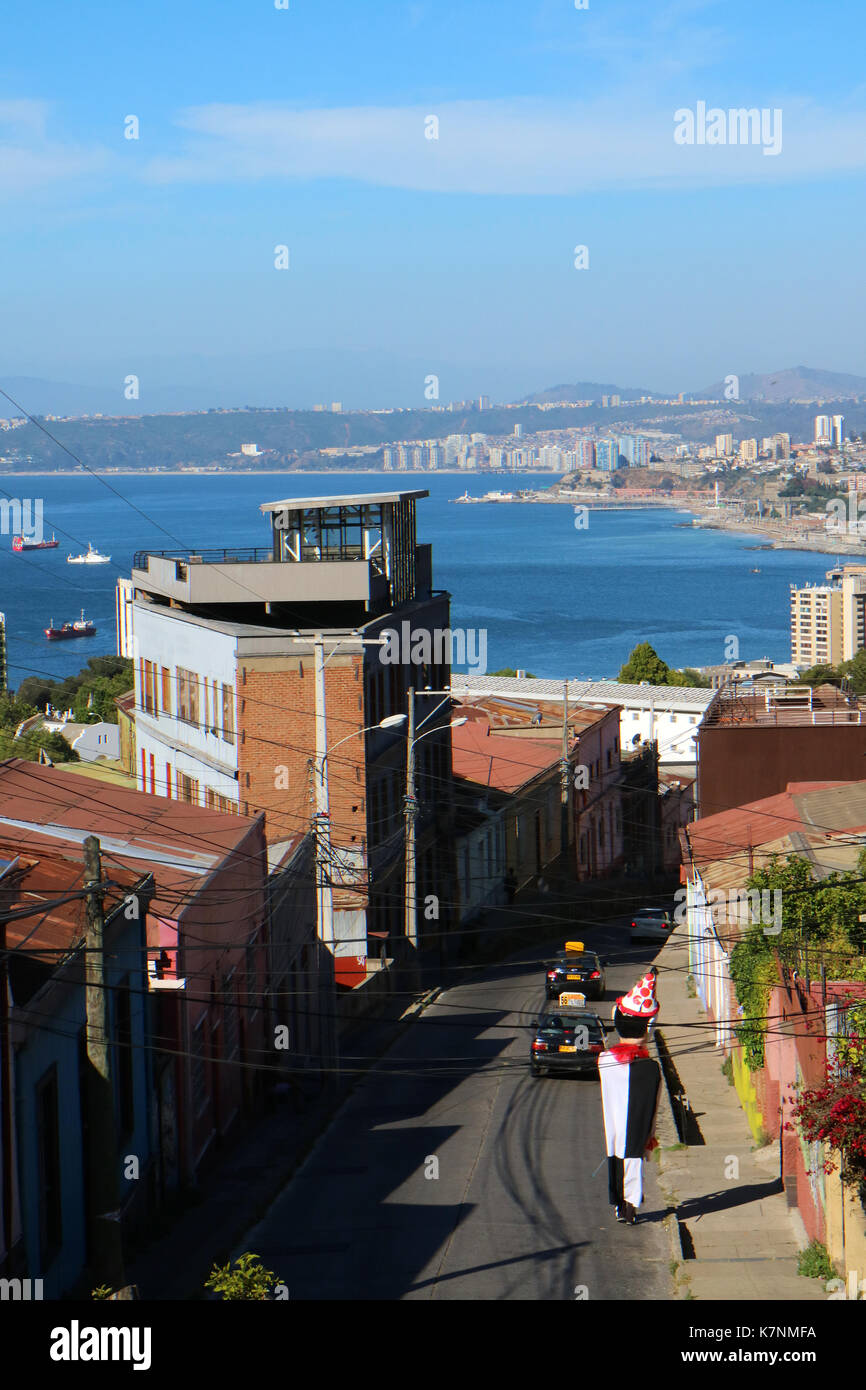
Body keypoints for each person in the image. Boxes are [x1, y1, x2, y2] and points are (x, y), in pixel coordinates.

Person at [598, 970, 662, 1225]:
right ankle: (630, 1206)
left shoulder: (604, 1060)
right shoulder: (650, 1069)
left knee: (616, 1154)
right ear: (648, 1027)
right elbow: (654, 1106)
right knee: (633, 1159)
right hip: (636, 1129)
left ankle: (620, 1204)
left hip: (613, 1128)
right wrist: (651, 1132)